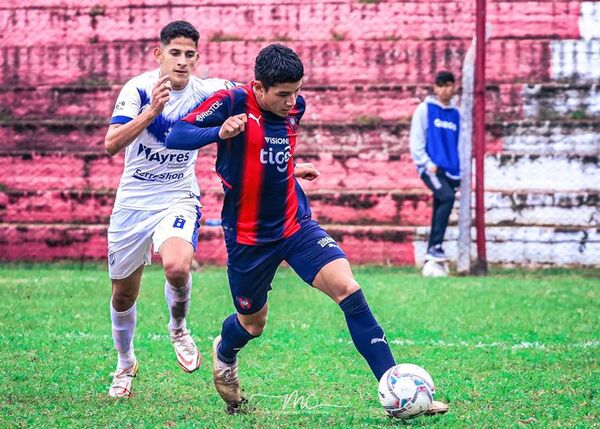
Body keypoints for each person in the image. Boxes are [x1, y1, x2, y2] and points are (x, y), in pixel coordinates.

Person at [165, 43, 449, 417]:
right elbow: (177, 135)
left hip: (295, 224)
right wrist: (219, 131)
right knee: (252, 323)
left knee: (348, 288)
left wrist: (291, 168)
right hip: (249, 238)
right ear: (259, 87)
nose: (292, 101)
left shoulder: (296, 106)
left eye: (296, 91)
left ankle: (396, 388)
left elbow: (270, 150)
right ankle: (225, 351)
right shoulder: (232, 102)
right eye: (283, 94)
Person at [103, 20, 236, 398]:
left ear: (197, 57)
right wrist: (150, 112)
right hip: (133, 202)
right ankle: (125, 364)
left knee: (177, 266)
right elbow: (112, 143)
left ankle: (178, 329)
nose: (181, 62)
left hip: (177, 195)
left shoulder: (208, 92)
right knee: (123, 296)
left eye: (189, 54)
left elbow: (253, 96)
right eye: (174, 53)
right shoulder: (139, 89)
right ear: (158, 54)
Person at [409, 71, 461, 262]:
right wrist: (426, 163)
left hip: (452, 170)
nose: (445, 89)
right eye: (441, 85)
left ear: (453, 87)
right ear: (435, 87)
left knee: (442, 204)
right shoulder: (425, 109)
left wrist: (461, 169)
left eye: (448, 85)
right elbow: (416, 140)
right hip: (432, 169)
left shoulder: (457, 114)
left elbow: (461, 143)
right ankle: (436, 245)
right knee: (447, 198)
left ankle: (432, 249)